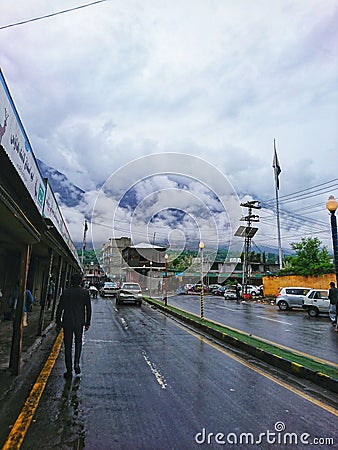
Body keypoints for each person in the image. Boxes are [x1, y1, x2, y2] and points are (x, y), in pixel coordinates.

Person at [56, 273, 92, 379]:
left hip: (67, 322)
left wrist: (58, 321)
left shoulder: (66, 292)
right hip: (79, 322)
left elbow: (60, 308)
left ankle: (69, 370)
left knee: (68, 345)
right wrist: (87, 322)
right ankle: (76, 363)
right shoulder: (85, 293)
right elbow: (88, 309)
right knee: (78, 343)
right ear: (80, 281)